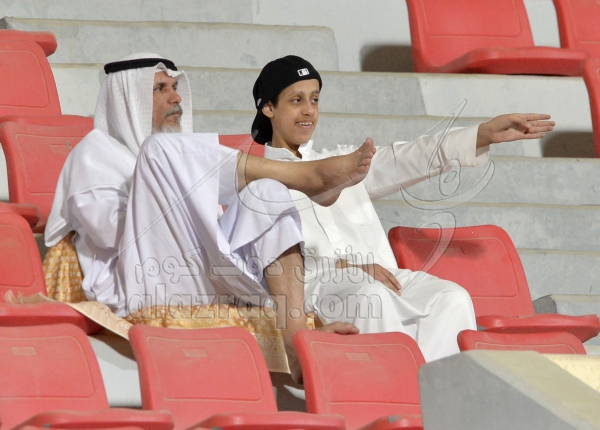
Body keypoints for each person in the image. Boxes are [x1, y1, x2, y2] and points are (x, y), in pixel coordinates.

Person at [45, 53, 373, 379]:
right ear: (127, 99)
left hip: (204, 278)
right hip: (144, 282)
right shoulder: (96, 153)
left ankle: (296, 340)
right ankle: (306, 176)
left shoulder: (178, 158)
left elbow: (208, 232)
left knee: (267, 192)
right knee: (158, 151)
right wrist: (157, 186)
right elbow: (109, 235)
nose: (176, 97)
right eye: (160, 89)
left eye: (175, 87)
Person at [255, 55, 556, 362]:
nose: (309, 110)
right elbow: (262, 266)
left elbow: (408, 158)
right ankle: (389, 388)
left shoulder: (344, 161)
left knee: (451, 298)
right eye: (296, 100)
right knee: (371, 297)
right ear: (269, 108)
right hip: (314, 286)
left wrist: (481, 135)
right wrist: (347, 268)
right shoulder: (258, 180)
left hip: (381, 277)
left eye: (315, 99)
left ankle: (436, 389)